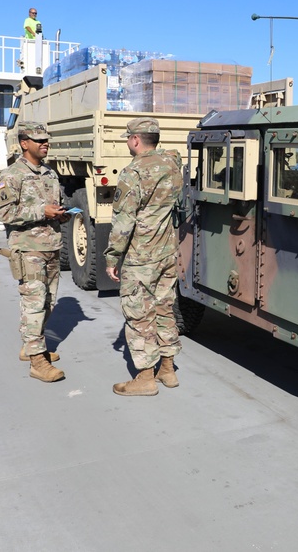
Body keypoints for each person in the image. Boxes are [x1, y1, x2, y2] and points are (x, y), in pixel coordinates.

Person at [106, 117, 183, 396]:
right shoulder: (173, 166)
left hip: (141, 256)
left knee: (139, 314)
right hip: (167, 252)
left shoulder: (133, 173)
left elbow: (124, 223)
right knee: (164, 308)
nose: (128, 142)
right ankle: (168, 369)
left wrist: (112, 257)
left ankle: (145, 378)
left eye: (128, 138)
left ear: (135, 140)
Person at [0, 121, 68, 382]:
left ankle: (31, 345)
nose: (45, 144)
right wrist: (41, 212)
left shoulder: (49, 174)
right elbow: (4, 213)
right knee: (34, 302)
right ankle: (37, 360)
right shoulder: (10, 176)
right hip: (28, 249)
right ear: (24, 143)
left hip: (51, 246)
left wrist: (60, 215)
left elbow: (51, 206)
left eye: (47, 139)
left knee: (49, 301)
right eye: (39, 140)